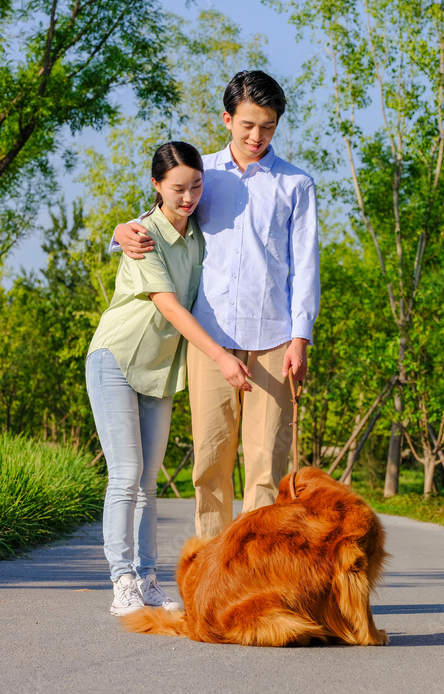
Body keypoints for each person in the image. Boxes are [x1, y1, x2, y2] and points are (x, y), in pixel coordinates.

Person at [112, 70, 320, 540]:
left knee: (267, 468)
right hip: (211, 342)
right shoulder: (202, 175)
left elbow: (306, 267)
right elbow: (163, 213)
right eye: (247, 124)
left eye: (267, 126)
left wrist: (300, 337)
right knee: (210, 464)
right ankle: (212, 574)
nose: (256, 136)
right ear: (227, 119)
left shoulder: (296, 185)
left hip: (275, 340)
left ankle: (260, 576)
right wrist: (121, 230)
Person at [87, 141, 252, 616]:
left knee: (148, 482)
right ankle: (121, 581)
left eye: (196, 186)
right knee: (125, 474)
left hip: (158, 370)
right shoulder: (144, 235)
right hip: (116, 357)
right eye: (177, 188)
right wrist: (221, 357)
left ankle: (147, 577)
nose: (188, 197)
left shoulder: (199, 235)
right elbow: (170, 305)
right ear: (156, 186)